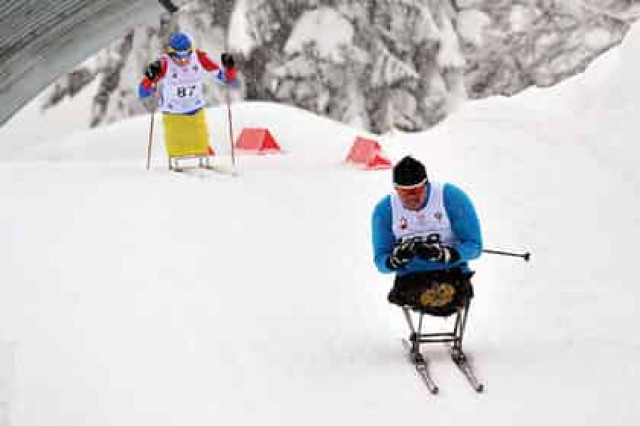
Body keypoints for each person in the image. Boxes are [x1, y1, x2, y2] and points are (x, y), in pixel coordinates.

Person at [371, 155, 483, 315]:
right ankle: (429, 293)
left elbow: (475, 246)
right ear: (396, 189)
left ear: (426, 184)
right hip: (411, 278)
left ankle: (441, 292)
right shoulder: (385, 210)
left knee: (449, 291)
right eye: (405, 192)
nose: (412, 197)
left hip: (451, 272)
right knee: (414, 292)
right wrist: (394, 260)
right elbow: (380, 262)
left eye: (416, 190)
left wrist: (445, 254)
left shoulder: (451, 197)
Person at [138, 32, 237, 169]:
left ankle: (206, 162)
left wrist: (229, 68)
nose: (184, 61)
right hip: (173, 113)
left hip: (196, 111)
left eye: (187, 55)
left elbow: (227, 79)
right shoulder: (163, 64)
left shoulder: (199, 58)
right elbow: (143, 92)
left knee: (201, 144)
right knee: (177, 148)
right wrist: (149, 79)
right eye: (179, 57)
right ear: (171, 54)